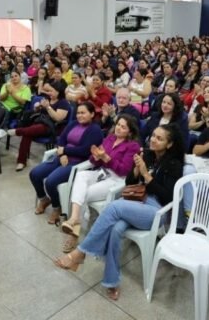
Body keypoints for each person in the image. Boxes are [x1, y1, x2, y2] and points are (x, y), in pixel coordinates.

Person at [54, 124, 185, 301]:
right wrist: (137, 170)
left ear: (169, 144)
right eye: (153, 135)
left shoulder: (174, 164)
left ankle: (80, 252)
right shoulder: (147, 154)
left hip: (155, 211)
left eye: (159, 138)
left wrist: (146, 175)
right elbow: (130, 181)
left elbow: (168, 197)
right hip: (136, 200)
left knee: (113, 207)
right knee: (115, 230)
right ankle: (111, 281)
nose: (153, 139)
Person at [59, 114, 140, 253]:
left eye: (123, 127)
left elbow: (124, 170)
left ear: (130, 132)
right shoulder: (110, 138)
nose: (118, 128)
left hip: (116, 180)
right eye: (118, 125)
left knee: (84, 193)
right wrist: (95, 155)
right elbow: (94, 160)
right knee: (81, 175)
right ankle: (75, 219)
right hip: (102, 172)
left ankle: (74, 233)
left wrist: (106, 158)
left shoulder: (133, 146)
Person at [31, 102, 104, 224]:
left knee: (51, 181)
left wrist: (65, 150)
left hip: (76, 163)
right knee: (35, 174)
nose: (80, 116)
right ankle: (44, 199)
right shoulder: (73, 123)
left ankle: (56, 207)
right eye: (78, 113)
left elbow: (85, 150)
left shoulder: (95, 130)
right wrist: (62, 154)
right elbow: (61, 139)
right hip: (62, 157)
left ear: (92, 114)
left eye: (83, 113)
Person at [8, 81, 70, 171]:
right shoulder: (47, 98)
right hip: (41, 122)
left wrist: (48, 107)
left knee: (32, 129)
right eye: (49, 91)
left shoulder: (63, 103)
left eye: (51, 91)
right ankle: (21, 161)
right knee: (28, 133)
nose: (49, 93)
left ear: (58, 92)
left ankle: (18, 131)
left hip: (53, 127)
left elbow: (58, 118)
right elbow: (39, 113)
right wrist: (37, 108)